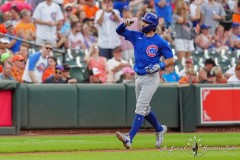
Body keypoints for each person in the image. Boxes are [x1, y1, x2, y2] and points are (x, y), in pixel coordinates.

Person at [115, 12, 174, 149]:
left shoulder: (160, 41)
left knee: (140, 108)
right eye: (143, 21)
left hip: (152, 79)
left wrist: (160, 65)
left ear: (152, 25)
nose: (142, 24)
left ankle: (129, 138)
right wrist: (125, 23)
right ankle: (159, 129)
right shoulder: (137, 36)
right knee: (145, 110)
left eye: (146, 22)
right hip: (138, 77)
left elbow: (171, 59)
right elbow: (119, 31)